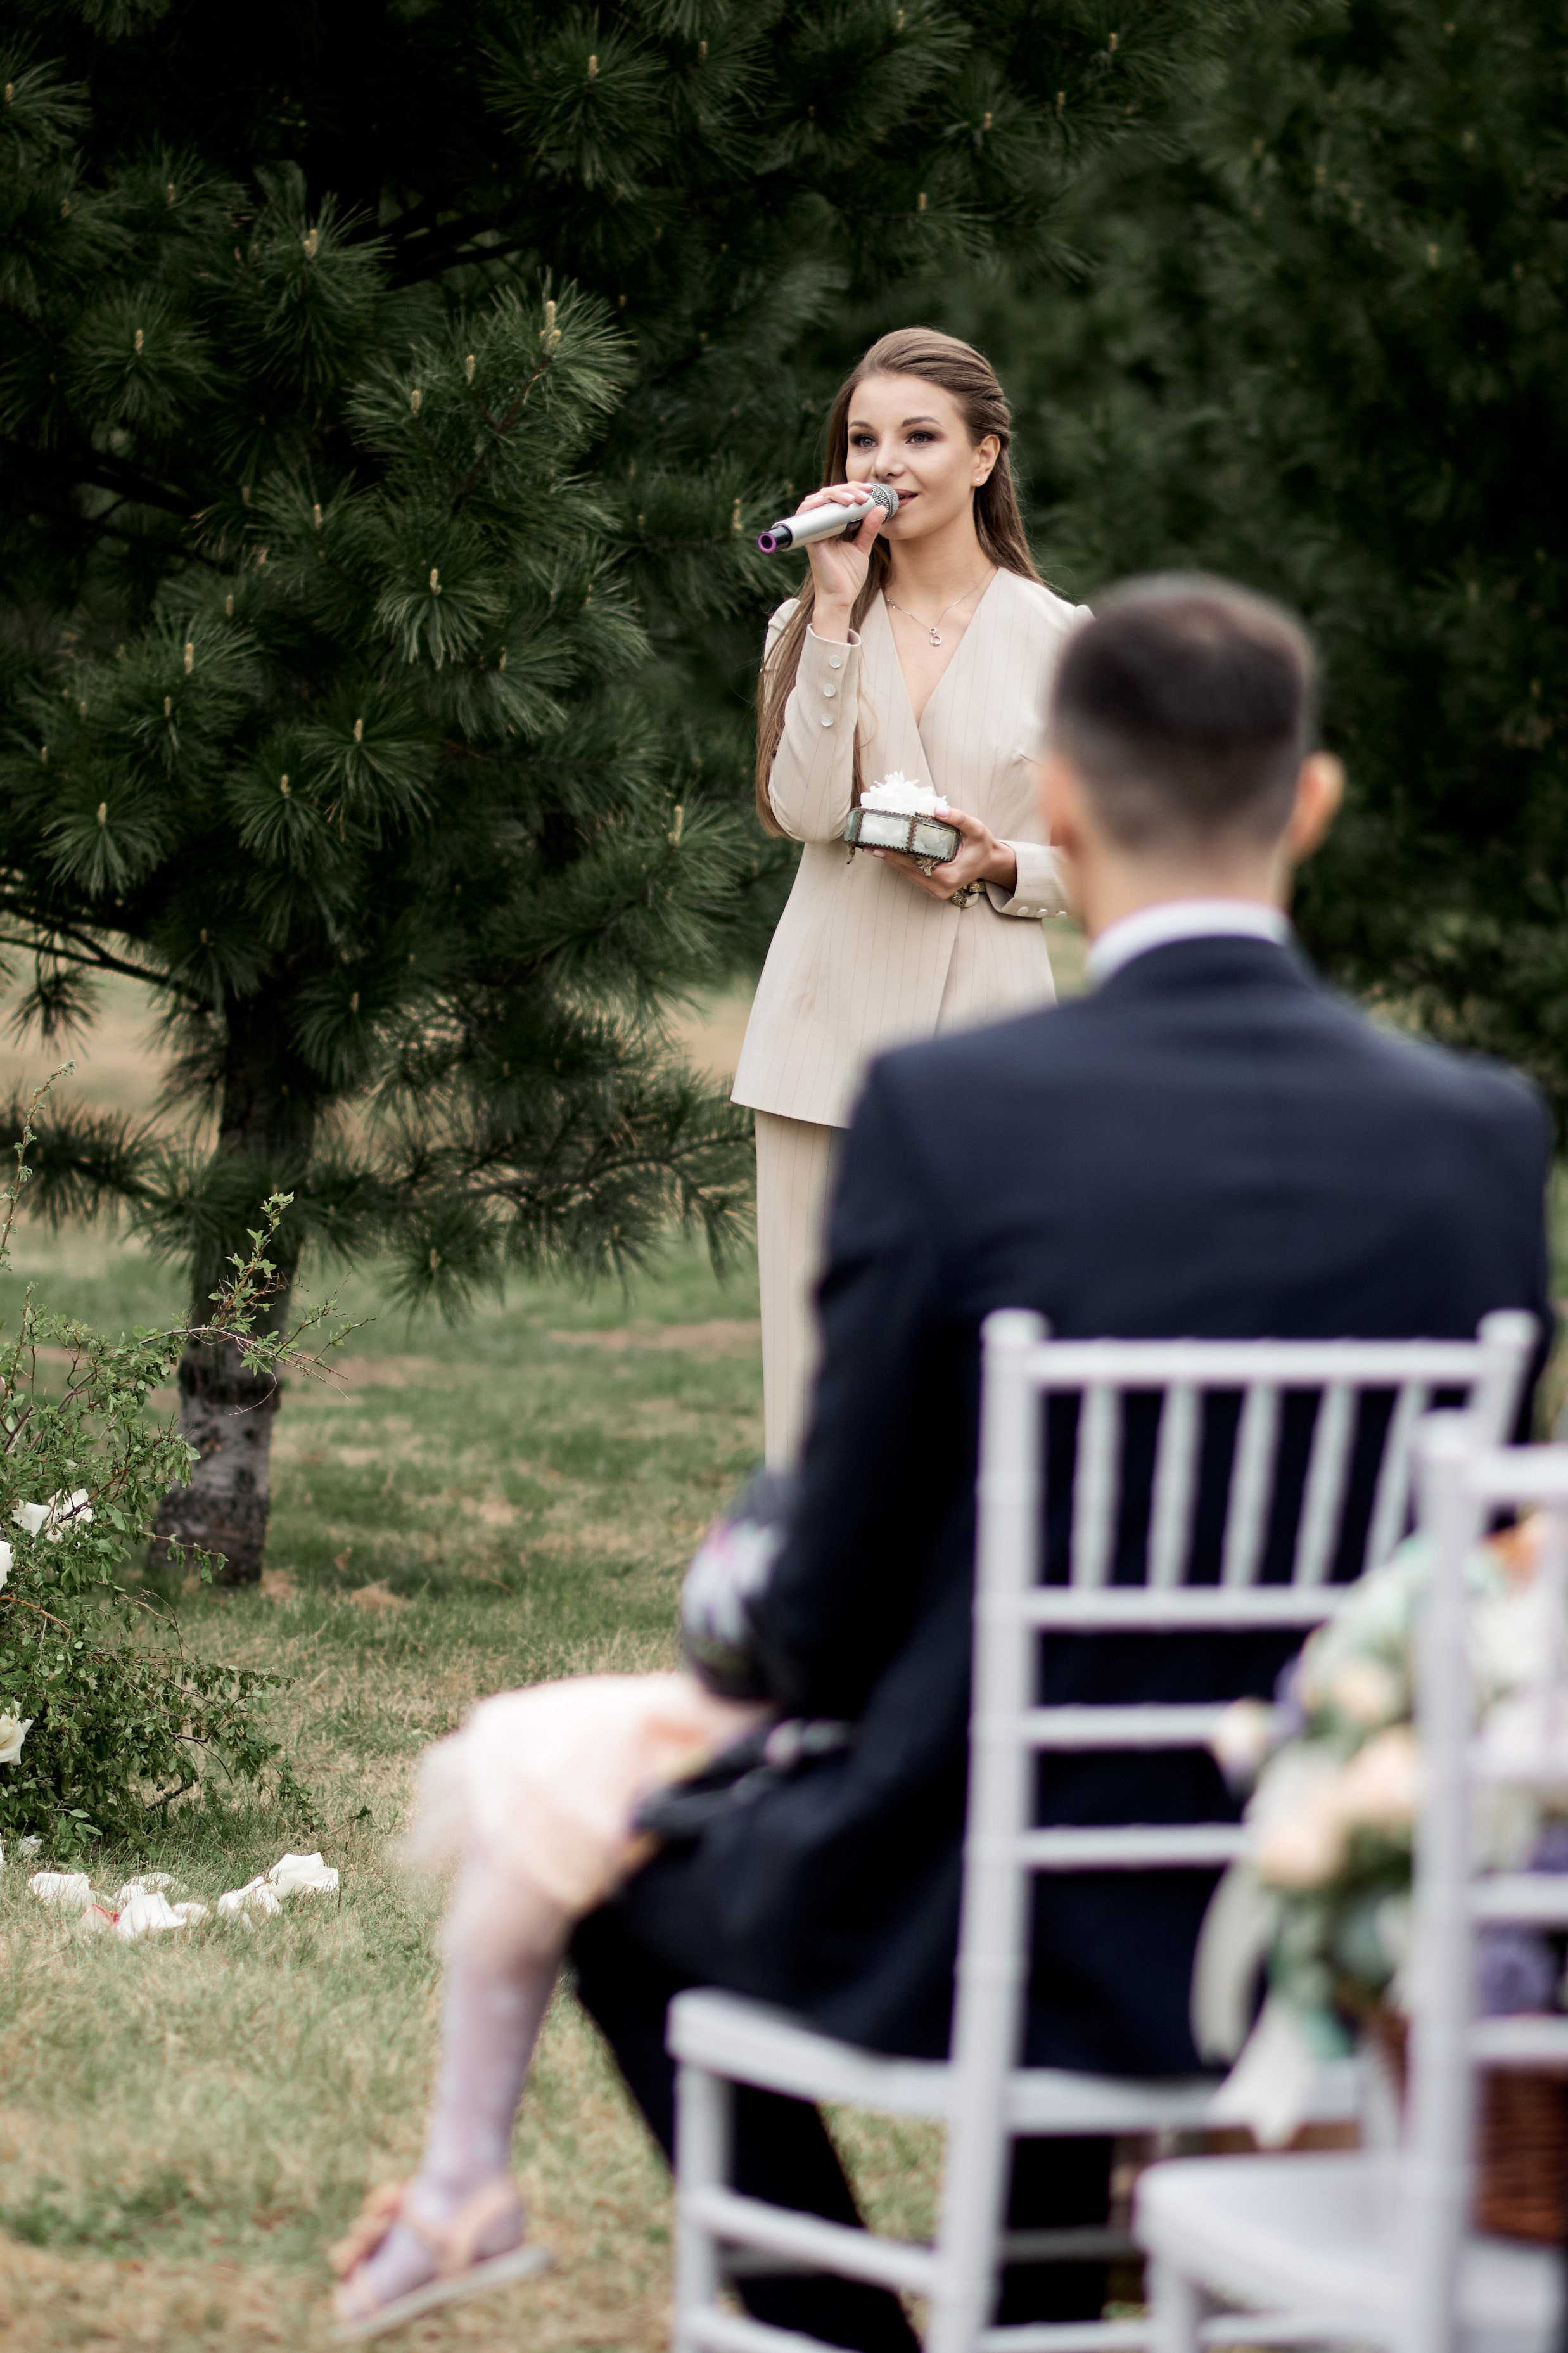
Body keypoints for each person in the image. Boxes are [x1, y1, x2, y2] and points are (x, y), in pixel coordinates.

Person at [566, 577, 1553, 2349]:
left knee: (624, 1895)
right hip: (1323, 1880)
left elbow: (833, 1602)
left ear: (1066, 813)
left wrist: (750, 1607)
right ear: (1306, 803)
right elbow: (1472, 1572)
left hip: (987, 1897)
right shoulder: (1476, 1137)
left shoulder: (954, 1115)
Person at [733, 326, 1091, 1465]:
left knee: (981, 1359)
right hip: (821, 1041)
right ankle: (822, 1625)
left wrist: (1005, 866)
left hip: (995, 1046)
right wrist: (832, 608)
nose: (886, 460)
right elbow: (798, 808)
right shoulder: (806, 622)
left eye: (920, 436)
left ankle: (977, 1616)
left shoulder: (1065, 640)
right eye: (864, 436)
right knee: (819, 1366)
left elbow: (1108, 859)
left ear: (985, 456)